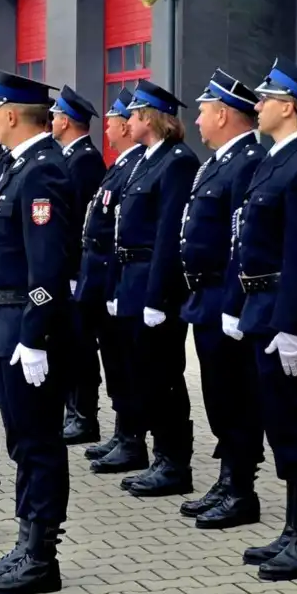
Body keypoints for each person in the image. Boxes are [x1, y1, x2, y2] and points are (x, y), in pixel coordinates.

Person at [224, 56, 297, 582]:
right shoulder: (274, 159)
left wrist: (292, 325)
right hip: (261, 308)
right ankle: (294, 528)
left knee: (295, 424)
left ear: (289, 108)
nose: (258, 105)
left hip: (289, 313)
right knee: (276, 419)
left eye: (266, 99)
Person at [0, 70, 71, 594]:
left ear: (10, 115)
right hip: (5, 326)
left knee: (38, 444)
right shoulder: (18, 168)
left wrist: (35, 334)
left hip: (27, 330)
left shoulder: (42, 172)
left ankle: (42, 556)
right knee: (22, 443)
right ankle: (25, 540)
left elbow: (47, 267)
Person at [179, 69, 265, 529]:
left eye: (204, 112)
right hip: (204, 295)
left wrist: (235, 303)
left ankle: (241, 487)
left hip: (223, 295)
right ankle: (227, 477)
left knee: (236, 395)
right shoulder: (215, 162)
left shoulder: (247, 161)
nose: (197, 121)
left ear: (225, 114)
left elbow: (240, 241)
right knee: (217, 392)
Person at [107, 80, 199, 497]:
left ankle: (173, 461)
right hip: (131, 280)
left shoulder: (177, 161)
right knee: (140, 372)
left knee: (163, 375)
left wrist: (159, 295)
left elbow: (168, 234)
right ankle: (155, 452)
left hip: (152, 283)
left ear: (148, 118)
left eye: (133, 114)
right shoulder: (146, 159)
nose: (127, 120)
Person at [77, 88, 145, 468]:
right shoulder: (120, 164)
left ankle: (132, 438)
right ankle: (123, 433)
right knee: (115, 362)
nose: (109, 128)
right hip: (104, 279)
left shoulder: (134, 164)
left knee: (126, 364)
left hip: (114, 279)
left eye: (116, 121)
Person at [50, 85, 107, 446]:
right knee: (70, 345)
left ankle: (84, 415)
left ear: (68, 122)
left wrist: (73, 272)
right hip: (69, 272)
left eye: (56, 116)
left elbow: (80, 225)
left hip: (76, 272)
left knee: (81, 346)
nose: (52, 121)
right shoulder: (69, 156)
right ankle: (74, 411)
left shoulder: (84, 160)